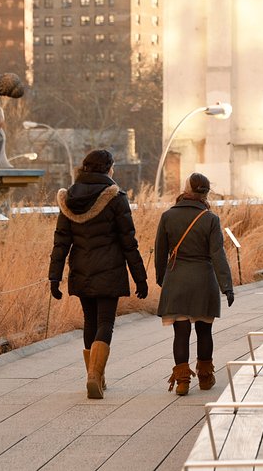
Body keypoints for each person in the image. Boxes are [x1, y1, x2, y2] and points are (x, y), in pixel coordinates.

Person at [49, 149, 148, 399]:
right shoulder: (116, 198)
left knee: (90, 321)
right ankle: (96, 376)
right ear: (107, 168)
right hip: (110, 269)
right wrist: (140, 277)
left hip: (81, 269)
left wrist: (54, 276)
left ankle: (95, 377)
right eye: (112, 167)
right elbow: (129, 242)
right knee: (106, 322)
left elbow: (61, 242)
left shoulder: (68, 199)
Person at [154, 172, 234, 395]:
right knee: (204, 331)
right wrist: (226, 286)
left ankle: (182, 382)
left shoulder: (168, 216)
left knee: (181, 333)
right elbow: (218, 255)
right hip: (203, 280)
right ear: (205, 193)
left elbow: (160, 252)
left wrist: (162, 278)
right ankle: (206, 378)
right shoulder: (210, 219)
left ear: (186, 190)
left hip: (176, 278)